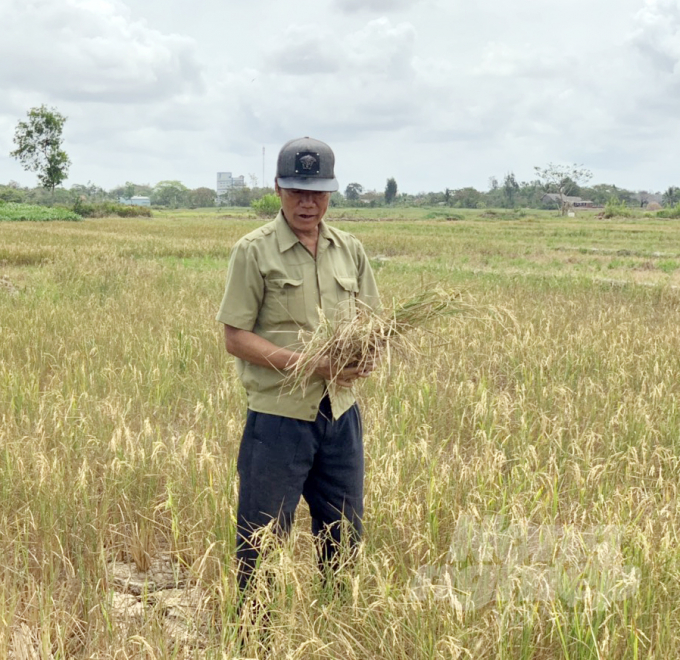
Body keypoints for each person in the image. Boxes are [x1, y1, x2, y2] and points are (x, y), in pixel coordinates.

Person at [216, 136, 380, 592]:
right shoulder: (254, 251)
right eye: (296, 191)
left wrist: (368, 353)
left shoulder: (350, 250)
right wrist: (311, 364)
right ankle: (255, 639)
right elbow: (235, 337)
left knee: (344, 538)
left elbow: (372, 324)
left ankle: (333, 626)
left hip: (341, 414)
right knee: (261, 544)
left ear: (331, 192)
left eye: (318, 192)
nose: (308, 203)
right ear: (278, 189)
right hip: (278, 419)